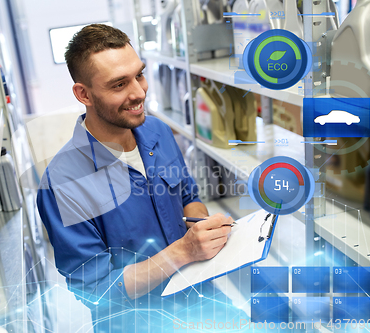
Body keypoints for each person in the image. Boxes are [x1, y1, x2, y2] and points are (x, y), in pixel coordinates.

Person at [37, 24, 237, 332]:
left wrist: (202, 229)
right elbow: (97, 289)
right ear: (84, 94)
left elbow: (188, 197)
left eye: (139, 75)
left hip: (200, 301)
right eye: (119, 85)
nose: (139, 92)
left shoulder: (156, 131)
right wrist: (184, 251)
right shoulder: (62, 184)